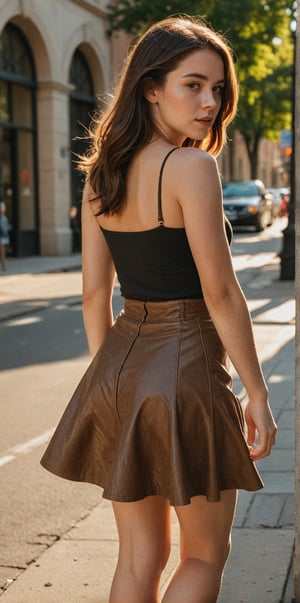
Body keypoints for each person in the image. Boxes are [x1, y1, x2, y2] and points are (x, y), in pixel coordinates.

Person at [41, 16, 277, 603]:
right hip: (187, 362)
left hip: (121, 365)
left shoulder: (102, 173)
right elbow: (220, 293)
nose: (210, 102)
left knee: (138, 557)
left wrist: (109, 382)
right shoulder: (191, 168)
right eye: (193, 85)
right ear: (151, 87)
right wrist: (258, 392)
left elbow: (96, 295)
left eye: (218, 89)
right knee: (205, 554)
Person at [0, 202, 10, 272]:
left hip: (4, 235)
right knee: (2, 251)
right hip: (1, 235)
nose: (4, 209)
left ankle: (4, 266)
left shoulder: (4, 217)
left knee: (3, 251)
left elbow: (6, 226)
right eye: (2, 208)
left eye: (4, 208)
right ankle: (3, 266)